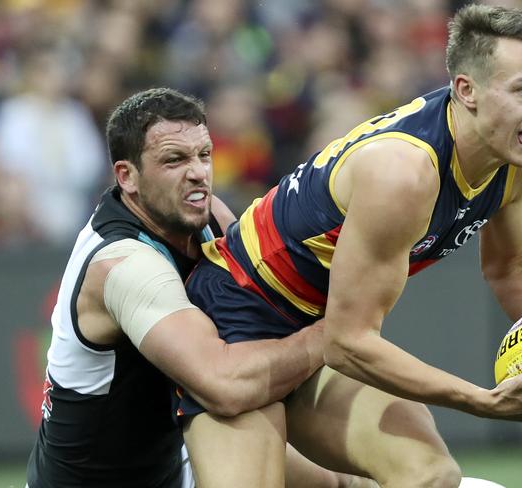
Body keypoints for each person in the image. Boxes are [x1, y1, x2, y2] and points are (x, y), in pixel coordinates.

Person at [176, 5, 522, 488]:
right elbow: (348, 342)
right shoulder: (403, 173)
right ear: (467, 90)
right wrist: (481, 400)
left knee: (430, 477)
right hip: (235, 326)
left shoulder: (514, 152)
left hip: (316, 335)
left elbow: (514, 266)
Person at [25, 87, 375, 488]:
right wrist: (339, 328)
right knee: (236, 397)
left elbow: (277, 308)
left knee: (349, 483)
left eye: (203, 155)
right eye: (174, 159)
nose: (198, 172)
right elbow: (224, 386)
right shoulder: (123, 266)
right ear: (127, 176)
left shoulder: (205, 217)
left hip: (171, 465)